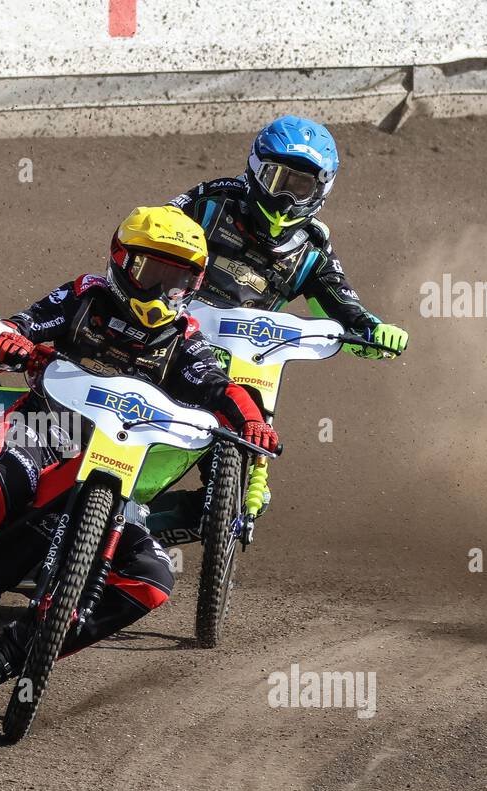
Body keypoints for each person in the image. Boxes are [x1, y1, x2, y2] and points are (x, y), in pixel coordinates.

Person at [0, 206, 279, 700]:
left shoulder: (184, 340)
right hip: (41, 426)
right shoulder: (86, 297)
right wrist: (12, 345)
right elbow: (15, 327)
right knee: (6, 479)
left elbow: (220, 389)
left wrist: (253, 420)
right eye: (153, 272)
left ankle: (8, 653)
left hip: (114, 466)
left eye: (177, 278)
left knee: (153, 576)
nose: (162, 289)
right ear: (123, 262)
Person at [158, 114, 409, 524]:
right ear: (257, 172)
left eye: (301, 186)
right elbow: (154, 233)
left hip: (243, 359)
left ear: (320, 191)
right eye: (278, 180)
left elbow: (340, 299)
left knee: (247, 496)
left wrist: (372, 328)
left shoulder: (312, 249)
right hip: (170, 328)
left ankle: (235, 483)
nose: (286, 198)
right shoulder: (210, 203)